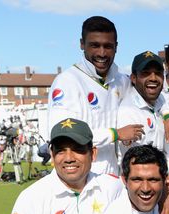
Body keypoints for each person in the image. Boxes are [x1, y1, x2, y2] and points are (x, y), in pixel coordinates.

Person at [48, 16, 142, 176]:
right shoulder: (67, 82)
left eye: (108, 46)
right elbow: (62, 136)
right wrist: (115, 134)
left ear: (116, 47)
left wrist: (168, 113)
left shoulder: (121, 80)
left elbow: (150, 93)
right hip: (81, 178)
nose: (102, 53)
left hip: (113, 178)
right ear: (82, 44)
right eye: (95, 45)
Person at [116, 51, 169, 157]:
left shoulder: (157, 100)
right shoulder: (128, 112)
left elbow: (162, 100)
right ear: (133, 78)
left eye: (158, 73)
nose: (153, 78)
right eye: (145, 73)